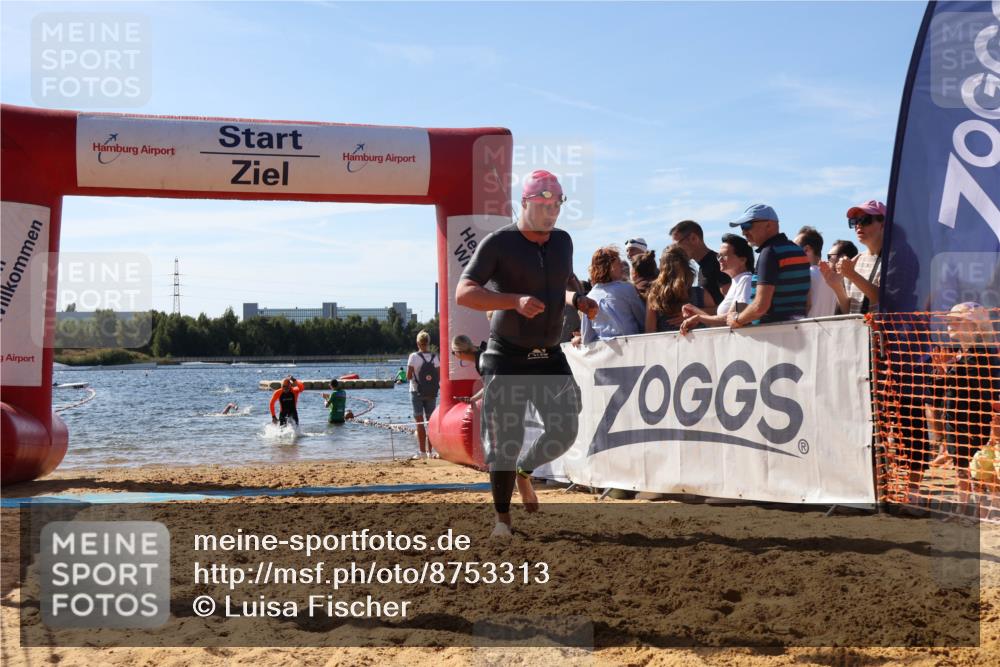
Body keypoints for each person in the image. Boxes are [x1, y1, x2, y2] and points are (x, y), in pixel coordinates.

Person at [455, 169, 598, 538]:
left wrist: (577, 300)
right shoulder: (500, 243)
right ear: (525, 203)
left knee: (565, 430)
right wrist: (513, 301)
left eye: (557, 206)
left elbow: (560, 283)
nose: (552, 213)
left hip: (548, 354)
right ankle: (502, 521)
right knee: (506, 440)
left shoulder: (563, 241)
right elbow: (464, 292)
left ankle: (525, 471)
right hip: (508, 356)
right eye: (544, 206)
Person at [924, 302, 1000, 511]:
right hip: (955, 421)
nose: (950, 324)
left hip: (980, 421)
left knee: (983, 468)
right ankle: (962, 509)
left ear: (975, 326)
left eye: (957, 321)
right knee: (960, 467)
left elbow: (979, 384)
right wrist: (940, 373)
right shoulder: (955, 353)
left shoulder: (986, 352)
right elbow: (936, 396)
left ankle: (987, 510)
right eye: (949, 320)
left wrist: (949, 368)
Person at [726, 204, 810, 328]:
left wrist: (737, 320)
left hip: (771, 332)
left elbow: (760, 307)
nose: (743, 232)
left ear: (769, 225)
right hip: (797, 329)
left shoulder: (770, 252)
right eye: (742, 227)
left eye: (747, 226)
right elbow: (807, 303)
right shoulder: (798, 250)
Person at [820, 200, 885, 315]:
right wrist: (837, 287)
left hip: (884, 327)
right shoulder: (856, 261)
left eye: (865, 220)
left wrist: (852, 275)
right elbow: (849, 311)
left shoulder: (895, 259)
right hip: (858, 327)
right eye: (854, 221)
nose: (858, 225)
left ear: (883, 224)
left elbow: (886, 299)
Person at [680, 234, 754, 333]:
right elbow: (720, 322)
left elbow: (733, 319)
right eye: (719, 256)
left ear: (742, 260)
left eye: (725, 256)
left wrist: (698, 317)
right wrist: (696, 312)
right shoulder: (737, 281)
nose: (720, 260)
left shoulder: (745, 279)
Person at [579, 245, 646, 344]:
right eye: (618, 263)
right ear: (609, 267)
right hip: (631, 348)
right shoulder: (627, 289)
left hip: (605, 351)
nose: (622, 267)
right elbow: (643, 321)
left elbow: (587, 337)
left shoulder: (589, 297)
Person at [645, 245, 712, 333]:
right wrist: (698, 314)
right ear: (687, 267)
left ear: (662, 268)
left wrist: (695, 314)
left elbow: (650, 333)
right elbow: (716, 317)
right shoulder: (701, 294)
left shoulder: (654, 297)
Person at [670, 219, 731, 309]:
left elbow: (732, 306)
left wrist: (696, 313)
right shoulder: (705, 266)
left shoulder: (719, 264)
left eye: (677, 245)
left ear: (693, 238)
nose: (675, 250)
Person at [407, 330, 440, 459]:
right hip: (431, 392)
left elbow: (409, 376)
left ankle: (422, 452)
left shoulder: (413, 357)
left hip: (416, 391)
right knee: (430, 422)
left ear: (418, 343)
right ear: (428, 343)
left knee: (420, 422)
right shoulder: (434, 357)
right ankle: (430, 452)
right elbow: (438, 375)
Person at [795, 225, 838, 318]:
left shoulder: (803, 275)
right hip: (828, 327)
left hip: (804, 327)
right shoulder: (833, 278)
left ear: (807, 249)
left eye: (795, 248)